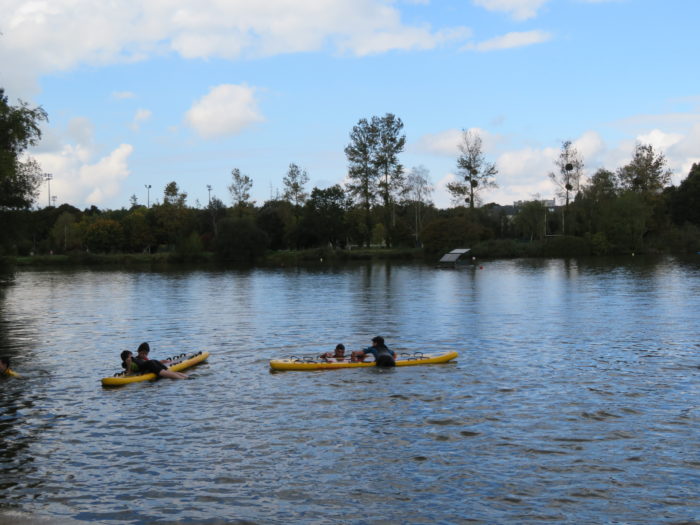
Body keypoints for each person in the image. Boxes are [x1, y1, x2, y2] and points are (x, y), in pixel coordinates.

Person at [121, 343, 187, 380]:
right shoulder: (131, 361)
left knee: (166, 373)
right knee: (169, 372)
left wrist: (161, 362)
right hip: (152, 362)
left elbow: (129, 371)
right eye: (143, 353)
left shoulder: (133, 360)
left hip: (151, 363)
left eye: (145, 354)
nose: (144, 355)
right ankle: (185, 377)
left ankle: (184, 379)